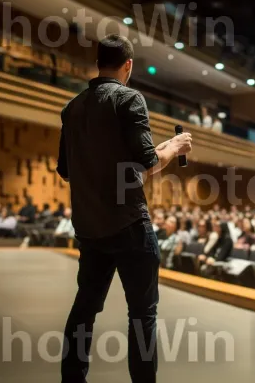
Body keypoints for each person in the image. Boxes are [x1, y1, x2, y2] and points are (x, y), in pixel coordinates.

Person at [57, 34, 192, 383]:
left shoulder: (72, 108)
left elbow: (67, 170)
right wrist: (175, 146)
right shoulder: (129, 98)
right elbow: (147, 163)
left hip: (90, 227)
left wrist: (154, 152)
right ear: (128, 65)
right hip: (129, 224)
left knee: (84, 308)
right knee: (142, 314)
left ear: (99, 62)